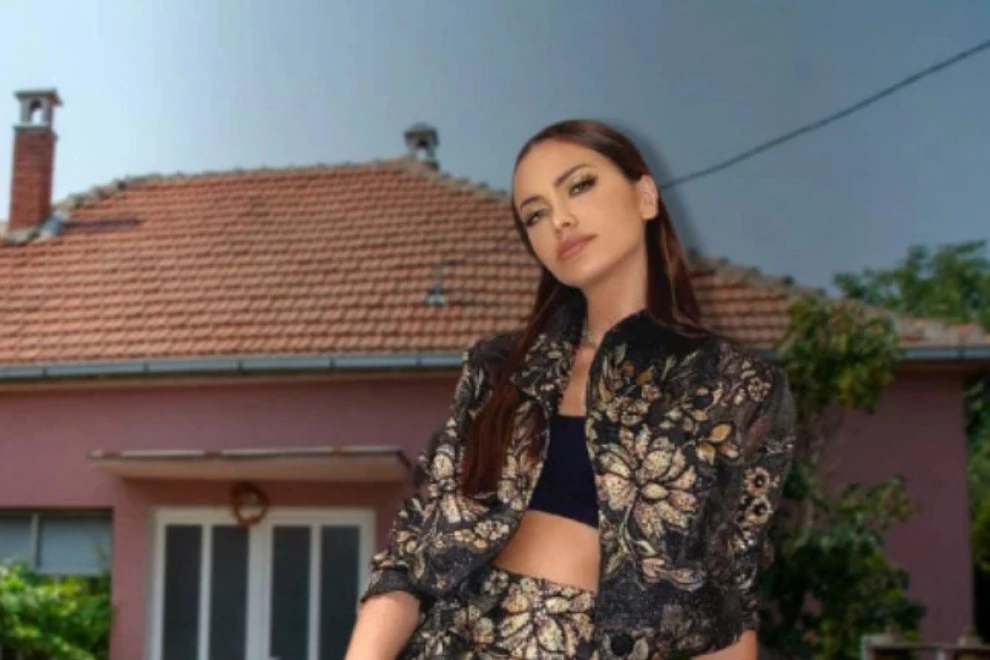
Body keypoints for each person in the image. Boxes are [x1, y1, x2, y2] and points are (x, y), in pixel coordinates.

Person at [344, 119, 796, 659]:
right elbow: (409, 558)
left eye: (580, 185)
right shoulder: (497, 371)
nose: (559, 219)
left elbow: (728, 611)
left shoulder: (740, 388)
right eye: (535, 214)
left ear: (645, 196)